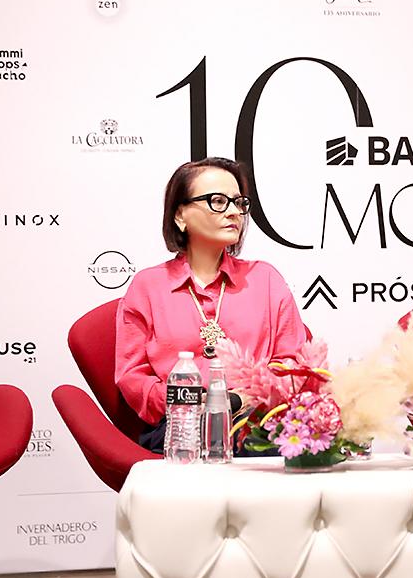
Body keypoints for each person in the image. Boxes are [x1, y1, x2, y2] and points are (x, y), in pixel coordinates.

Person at [115, 157, 307, 453]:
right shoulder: (149, 286)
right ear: (180, 215)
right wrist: (185, 401)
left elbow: (290, 363)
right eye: (217, 201)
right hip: (180, 426)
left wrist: (242, 399)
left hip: (256, 426)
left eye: (238, 202)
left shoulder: (264, 278)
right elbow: (132, 376)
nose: (233, 212)